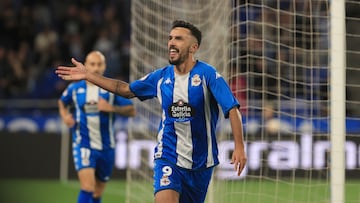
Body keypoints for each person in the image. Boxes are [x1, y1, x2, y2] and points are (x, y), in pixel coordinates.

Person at [56, 20, 247, 203]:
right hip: (168, 156)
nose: (171, 43)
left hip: (202, 163)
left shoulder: (208, 75)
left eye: (178, 39)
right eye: (170, 38)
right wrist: (90, 75)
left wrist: (239, 146)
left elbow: (232, 108)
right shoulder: (160, 77)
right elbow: (126, 89)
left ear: (193, 47)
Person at [58, 51, 136, 203]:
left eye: (99, 64)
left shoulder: (111, 89)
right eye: (92, 64)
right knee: (88, 187)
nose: (95, 68)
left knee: (97, 193)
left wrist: (112, 108)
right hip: (84, 144)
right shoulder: (75, 89)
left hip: (107, 147)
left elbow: (132, 111)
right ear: (86, 65)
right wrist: (65, 116)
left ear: (104, 66)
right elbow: (62, 102)